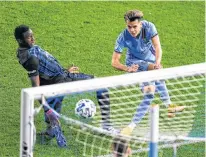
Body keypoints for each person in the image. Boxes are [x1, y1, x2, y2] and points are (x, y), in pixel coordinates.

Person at [14, 25, 118, 147]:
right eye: (29, 37)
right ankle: (106, 126)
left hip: (62, 76)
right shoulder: (30, 59)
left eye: (32, 35)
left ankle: (51, 130)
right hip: (60, 83)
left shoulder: (27, 49)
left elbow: (46, 66)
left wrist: (64, 70)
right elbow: (36, 88)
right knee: (101, 85)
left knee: (53, 123)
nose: (33, 38)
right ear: (20, 40)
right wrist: (47, 110)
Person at [111, 10, 185, 135]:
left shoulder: (148, 27)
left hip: (150, 60)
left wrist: (157, 61)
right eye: (129, 27)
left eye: (135, 27)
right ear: (126, 25)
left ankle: (167, 106)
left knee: (152, 86)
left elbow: (157, 47)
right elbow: (114, 62)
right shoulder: (123, 36)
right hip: (134, 64)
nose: (132, 30)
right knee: (152, 86)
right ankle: (167, 106)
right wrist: (126, 68)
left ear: (140, 24)